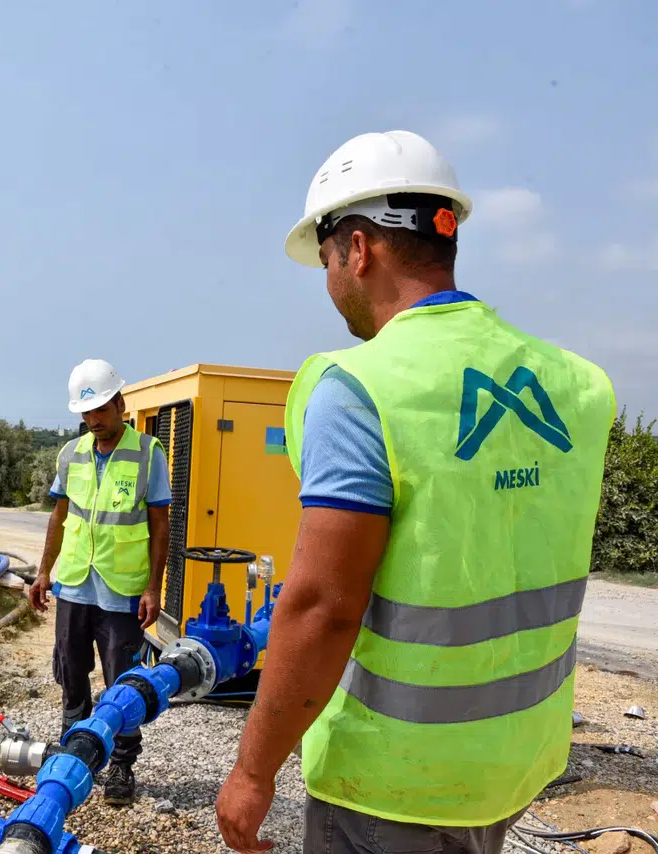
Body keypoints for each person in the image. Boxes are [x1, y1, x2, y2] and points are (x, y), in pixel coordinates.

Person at [214, 130, 616, 854]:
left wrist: (252, 770)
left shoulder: (359, 388)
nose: (329, 282)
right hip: (515, 763)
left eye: (326, 261)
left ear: (358, 249)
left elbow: (324, 606)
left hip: (392, 782)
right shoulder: (578, 385)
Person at [27, 357, 172, 807]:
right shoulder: (70, 455)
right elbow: (59, 516)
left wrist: (153, 588)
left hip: (121, 591)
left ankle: (122, 766)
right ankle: (75, 757)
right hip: (74, 585)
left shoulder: (148, 453)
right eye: (86, 413)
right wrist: (44, 571)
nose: (94, 420)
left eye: (101, 410)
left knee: (122, 683)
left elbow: (161, 526)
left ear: (120, 404)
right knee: (71, 675)